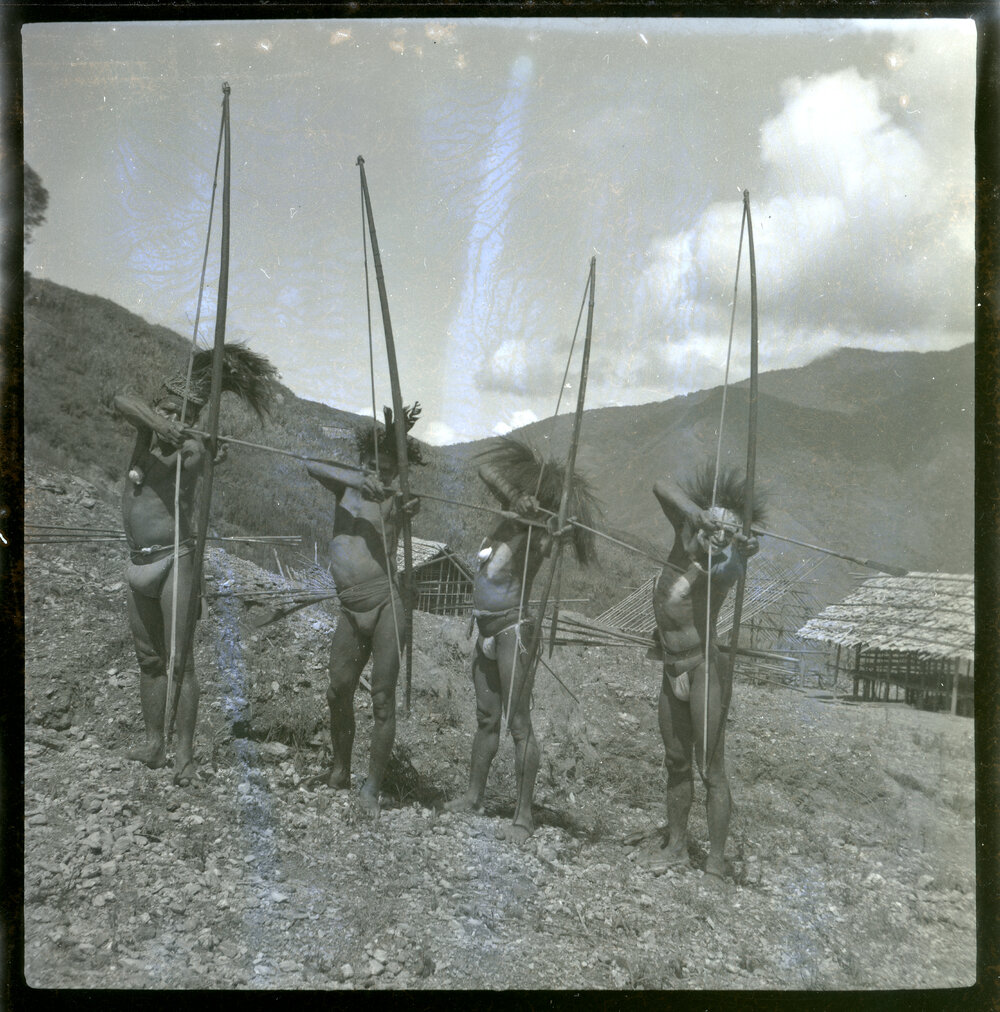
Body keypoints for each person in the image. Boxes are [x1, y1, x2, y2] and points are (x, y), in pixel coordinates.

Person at [116, 343, 277, 786]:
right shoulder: (146, 432)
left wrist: (198, 440)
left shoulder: (191, 445)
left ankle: (184, 756)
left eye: (183, 413)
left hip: (176, 560)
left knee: (179, 661)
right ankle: (154, 745)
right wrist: (156, 422)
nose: (174, 418)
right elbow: (120, 399)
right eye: (167, 409)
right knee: (149, 659)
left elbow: (203, 453)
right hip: (139, 562)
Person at [445, 436, 598, 844]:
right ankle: (474, 796)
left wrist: (553, 522)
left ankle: (524, 815)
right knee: (486, 719)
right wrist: (517, 498)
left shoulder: (541, 528)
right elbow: (486, 471)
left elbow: (558, 536)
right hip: (486, 629)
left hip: (515, 629)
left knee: (518, 724)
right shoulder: (510, 517)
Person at [645, 463, 765, 886]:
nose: (717, 538)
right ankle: (676, 846)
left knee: (710, 769)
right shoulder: (686, 538)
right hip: (670, 667)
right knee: (676, 761)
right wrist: (696, 515)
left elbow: (733, 566)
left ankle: (715, 864)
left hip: (703, 669)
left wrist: (737, 549)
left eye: (727, 535)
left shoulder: (728, 564)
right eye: (714, 528)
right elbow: (662, 482)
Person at [306, 404, 422, 813]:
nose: (379, 474)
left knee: (382, 699)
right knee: (338, 690)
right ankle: (340, 771)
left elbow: (411, 503)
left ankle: (371, 788)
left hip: (386, 602)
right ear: (360, 464)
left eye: (387, 469)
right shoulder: (346, 487)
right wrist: (361, 479)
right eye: (372, 465)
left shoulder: (394, 494)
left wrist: (396, 494)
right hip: (349, 606)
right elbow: (311, 464)